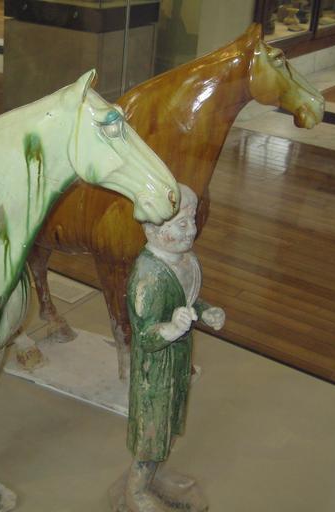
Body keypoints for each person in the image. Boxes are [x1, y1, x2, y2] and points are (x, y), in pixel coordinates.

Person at [116, 184, 224, 512]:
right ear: (151, 230)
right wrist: (173, 328)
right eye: (181, 224)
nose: (191, 229)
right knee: (152, 429)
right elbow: (145, 335)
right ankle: (136, 490)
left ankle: (156, 475)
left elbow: (188, 301)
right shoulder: (148, 276)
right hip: (155, 371)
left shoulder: (186, 259)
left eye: (192, 220)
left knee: (171, 421)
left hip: (177, 360)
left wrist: (206, 311)